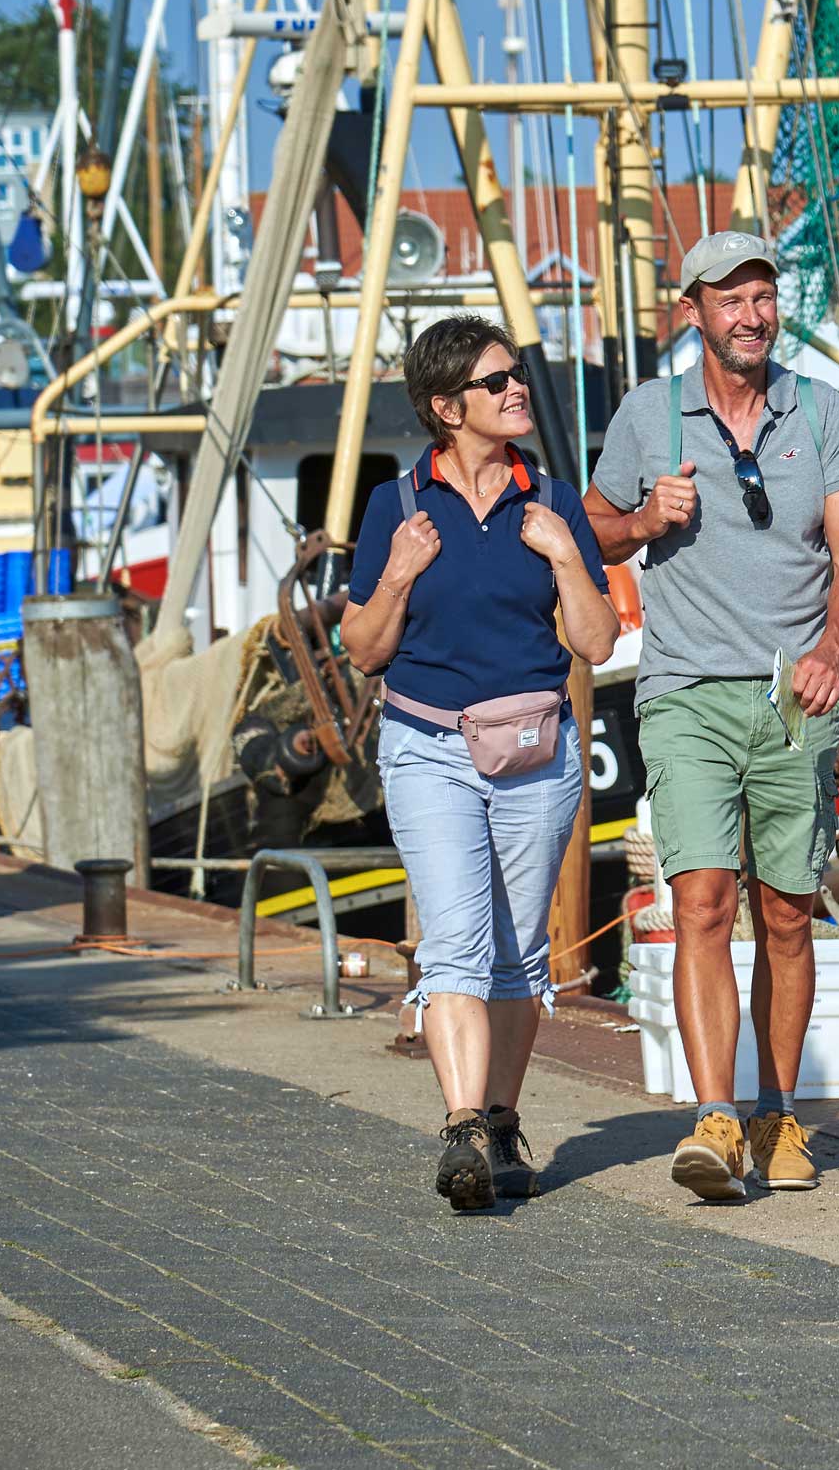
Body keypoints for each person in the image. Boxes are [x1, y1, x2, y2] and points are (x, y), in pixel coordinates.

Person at [585, 230, 839, 1203]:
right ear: (694, 312)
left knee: (786, 916)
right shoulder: (645, 417)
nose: (749, 315)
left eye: (761, 296)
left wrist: (834, 650)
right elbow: (592, 524)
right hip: (684, 693)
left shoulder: (818, 410)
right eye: (728, 300)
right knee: (703, 900)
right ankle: (714, 1120)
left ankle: (778, 1114)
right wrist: (641, 524)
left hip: (795, 696)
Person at [345, 316, 618, 1213]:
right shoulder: (398, 504)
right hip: (429, 747)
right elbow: (362, 650)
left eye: (515, 376)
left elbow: (596, 637)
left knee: (520, 952)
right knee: (458, 943)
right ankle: (461, 1127)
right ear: (445, 407)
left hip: (536, 749)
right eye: (496, 381)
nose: (515, 390)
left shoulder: (552, 498)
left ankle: (502, 1121)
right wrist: (396, 574)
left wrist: (566, 554)